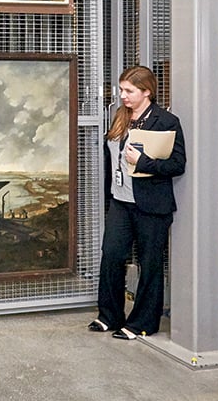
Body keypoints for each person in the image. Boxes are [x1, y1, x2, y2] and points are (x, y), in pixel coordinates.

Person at [88, 65, 186, 340]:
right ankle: (109, 316)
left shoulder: (166, 121)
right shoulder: (121, 116)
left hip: (150, 206)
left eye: (129, 91)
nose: (123, 96)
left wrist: (141, 162)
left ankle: (142, 323)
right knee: (112, 256)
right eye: (121, 90)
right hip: (120, 201)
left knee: (150, 263)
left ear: (146, 92)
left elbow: (178, 164)